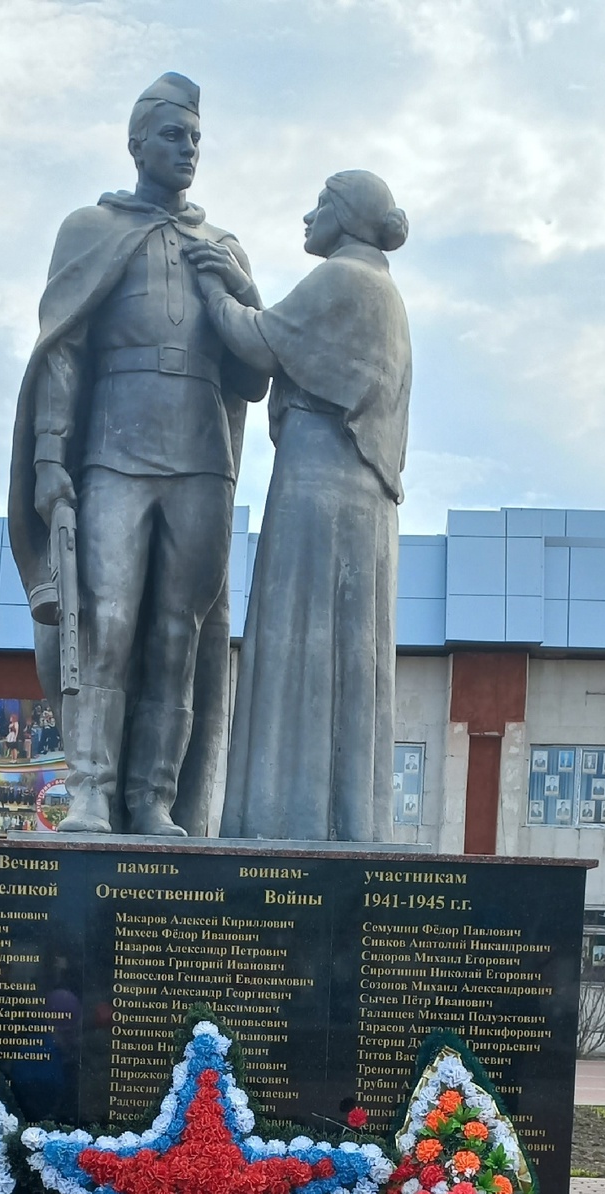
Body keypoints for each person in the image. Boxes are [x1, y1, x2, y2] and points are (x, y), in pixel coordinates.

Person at [7, 72, 269, 836]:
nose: (188, 149)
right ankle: (90, 790)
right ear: (136, 144)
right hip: (112, 455)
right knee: (105, 623)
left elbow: (253, 376)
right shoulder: (91, 229)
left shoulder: (220, 247)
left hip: (200, 458)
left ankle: (153, 799)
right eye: (173, 135)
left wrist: (241, 296)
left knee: (176, 636)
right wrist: (50, 460)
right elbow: (62, 349)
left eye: (195, 138)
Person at [187, 170, 411, 842]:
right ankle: (339, 820)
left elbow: (257, 342)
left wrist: (211, 281)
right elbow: (285, 333)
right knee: (343, 655)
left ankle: (282, 821)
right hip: (358, 499)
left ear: (343, 215)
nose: (307, 216)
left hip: (319, 485)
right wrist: (247, 296)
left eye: (319, 205)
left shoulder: (345, 279)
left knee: (299, 647)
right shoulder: (379, 289)